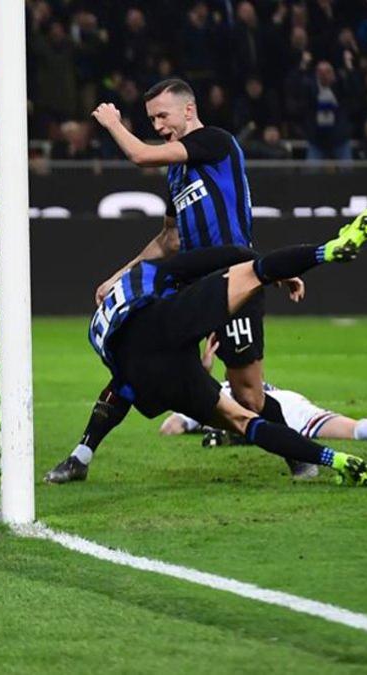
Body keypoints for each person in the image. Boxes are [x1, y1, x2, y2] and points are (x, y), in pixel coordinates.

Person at [45, 207, 367, 486]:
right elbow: (229, 255)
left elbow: (127, 380)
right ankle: (326, 250)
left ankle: (79, 458)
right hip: (163, 328)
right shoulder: (154, 273)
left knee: (239, 421)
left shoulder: (100, 328)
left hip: (145, 375)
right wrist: (277, 271)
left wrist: (195, 365)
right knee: (255, 272)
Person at [77, 77, 308, 482]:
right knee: (137, 362)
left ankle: (299, 454)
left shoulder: (214, 143)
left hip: (233, 282)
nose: (158, 126)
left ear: (188, 110)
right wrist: (120, 275)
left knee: (248, 397)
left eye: (162, 116)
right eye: (151, 119)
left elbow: (139, 155)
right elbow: (170, 238)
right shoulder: (178, 173)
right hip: (191, 286)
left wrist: (113, 123)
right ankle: (81, 454)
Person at [159, 335, 367, 462]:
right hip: (293, 406)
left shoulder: (213, 395)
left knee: (246, 423)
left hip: (260, 412)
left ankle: (237, 436)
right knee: (356, 428)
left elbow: (170, 426)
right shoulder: (252, 383)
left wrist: (199, 375)